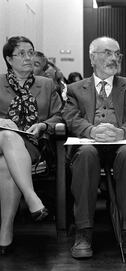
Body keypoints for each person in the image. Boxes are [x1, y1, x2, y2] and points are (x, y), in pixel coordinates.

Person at [62, 36, 126, 259]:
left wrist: (122, 132)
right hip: (88, 143)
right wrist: (91, 131)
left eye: (117, 54)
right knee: (87, 154)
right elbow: (70, 117)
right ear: (92, 57)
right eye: (107, 53)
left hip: (122, 143)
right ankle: (84, 231)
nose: (114, 58)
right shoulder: (75, 89)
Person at [0, 36, 62, 255]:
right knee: (7, 135)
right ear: (9, 59)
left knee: (5, 165)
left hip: (34, 143)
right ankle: (32, 197)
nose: (28, 57)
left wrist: (44, 125)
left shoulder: (46, 84)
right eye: (22, 53)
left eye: (31, 52)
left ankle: (6, 229)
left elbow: (60, 115)